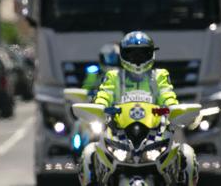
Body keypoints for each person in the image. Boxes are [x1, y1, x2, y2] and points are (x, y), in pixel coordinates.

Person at [79, 31, 197, 186]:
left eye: (142, 54)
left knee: (186, 154)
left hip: (155, 133)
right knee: (89, 152)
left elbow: (167, 94)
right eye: (132, 54)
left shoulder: (159, 75)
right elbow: (104, 94)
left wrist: (173, 108)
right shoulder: (113, 76)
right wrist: (99, 107)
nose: (137, 59)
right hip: (119, 132)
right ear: (122, 55)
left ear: (151, 54)